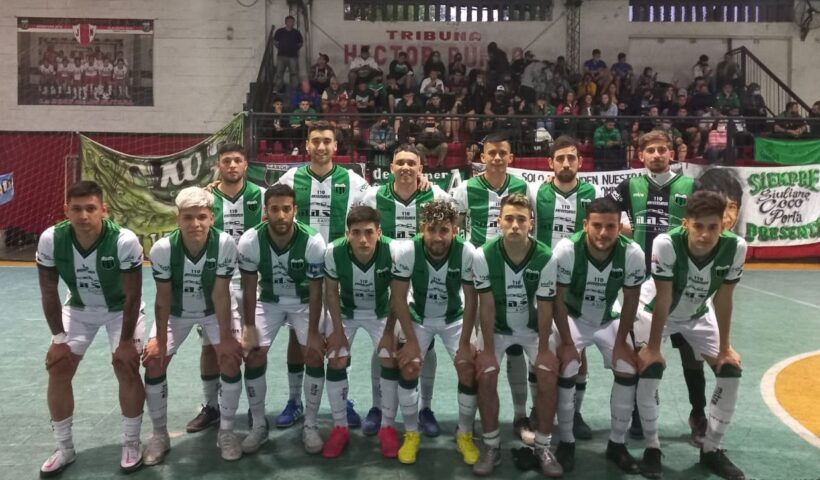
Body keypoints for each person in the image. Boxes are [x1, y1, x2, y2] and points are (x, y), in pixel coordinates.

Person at [635, 190, 748, 480]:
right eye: (698, 226)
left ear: (723, 224)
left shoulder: (735, 247)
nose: (705, 234)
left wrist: (725, 348)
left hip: (698, 313)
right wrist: (653, 348)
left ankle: (711, 449)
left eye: (713, 227)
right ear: (686, 224)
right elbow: (664, 298)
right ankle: (652, 448)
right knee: (650, 369)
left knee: (730, 370)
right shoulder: (666, 243)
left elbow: (724, 299)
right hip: (653, 311)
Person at [36, 181, 146, 476]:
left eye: (90, 209)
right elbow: (48, 290)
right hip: (79, 309)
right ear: (66, 210)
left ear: (103, 210)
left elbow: (133, 296)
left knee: (126, 365)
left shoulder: (124, 240)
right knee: (58, 366)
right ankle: (64, 448)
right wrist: (59, 339)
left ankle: (132, 442)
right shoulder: (51, 239)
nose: (83, 215)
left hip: (120, 310)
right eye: (77, 209)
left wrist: (126, 342)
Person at [609, 130, 707, 447]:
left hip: (681, 282)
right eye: (650, 150)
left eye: (661, 149)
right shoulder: (629, 186)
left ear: (671, 154)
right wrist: (622, 229)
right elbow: (604, 213)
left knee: (692, 354)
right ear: (641, 156)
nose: (656, 155)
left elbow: (708, 221)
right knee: (644, 351)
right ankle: (641, 415)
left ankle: (698, 414)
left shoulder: (690, 186)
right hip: (643, 285)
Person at [143, 187, 240, 465]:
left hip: (213, 311)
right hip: (176, 313)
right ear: (178, 219)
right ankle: (159, 435)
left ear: (212, 218)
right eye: (188, 217)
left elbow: (221, 294)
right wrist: (160, 340)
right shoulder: (163, 249)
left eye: (201, 217)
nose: (195, 223)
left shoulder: (225, 243)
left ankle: (227, 432)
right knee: (153, 362)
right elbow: (162, 298)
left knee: (231, 360)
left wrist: (226, 338)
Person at [471, 193, 566, 477]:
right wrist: (488, 350)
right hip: (496, 328)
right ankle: (491, 446)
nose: (515, 225)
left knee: (547, 373)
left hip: (533, 329)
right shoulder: (483, 255)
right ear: (498, 222)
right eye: (509, 219)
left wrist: (545, 349)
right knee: (486, 373)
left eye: (521, 220)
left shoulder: (546, 256)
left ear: (531, 223)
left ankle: (543, 446)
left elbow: (546, 306)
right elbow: (486, 305)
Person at [550, 197, 647, 474]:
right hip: (573, 317)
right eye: (597, 226)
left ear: (619, 227)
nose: (603, 233)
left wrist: (622, 342)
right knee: (568, 365)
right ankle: (566, 442)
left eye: (610, 226)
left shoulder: (632, 252)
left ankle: (617, 444)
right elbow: (557, 299)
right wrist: (568, 342)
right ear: (585, 225)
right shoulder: (567, 249)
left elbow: (631, 299)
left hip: (607, 317)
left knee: (627, 367)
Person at [236, 184, 327, 455]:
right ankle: (259, 425)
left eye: (286, 209)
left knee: (313, 354)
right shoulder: (251, 240)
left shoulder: (312, 241)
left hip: (303, 302)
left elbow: (316, 291)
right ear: (266, 211)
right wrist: (249, 327)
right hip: (269, 301)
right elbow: (248, 286)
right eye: (274, 209)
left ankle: (310, 424)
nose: (281, 215)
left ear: (295, 210)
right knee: (253, 354)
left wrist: (314, 333)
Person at [389, 201, 480, 465]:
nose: (438, 237)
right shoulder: (408, 250)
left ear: (455, 230)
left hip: (454, 318)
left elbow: (471, 299)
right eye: (432, 229)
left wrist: (466, 342)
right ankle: (411, 434)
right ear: (422, 228)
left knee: (468, 368)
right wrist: (411, 341)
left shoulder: (466, 252)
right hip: (419, 317)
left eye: (444, 230)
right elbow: (398, 298)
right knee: (408, 366)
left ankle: (465, 434)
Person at [185, 144, 265, 437]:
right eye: (227, 160)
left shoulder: (262, 195)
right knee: (210, 346)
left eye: (237, 160)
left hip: (251, 281)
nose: (232, 165)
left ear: (246, 165)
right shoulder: (205, 199)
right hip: (216, 280)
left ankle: (256, 410)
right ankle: (211, 406)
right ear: (219, 165)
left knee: (253, 346)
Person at [528, 136, 602, 438]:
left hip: (579, 282)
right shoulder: (536, 191)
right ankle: (537, 408)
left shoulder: (593, 193)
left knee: (577, 349)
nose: (566, 163)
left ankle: (575, 412)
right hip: (542, 279)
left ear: (580, 162)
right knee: (540, 346)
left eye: (571, 158)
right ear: (550, 163)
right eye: (560, 158)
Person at [321, 206, 398, 458]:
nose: (363, 239)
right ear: (347, 234)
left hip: (381, 313)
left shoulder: (393, 251)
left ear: (379, 232)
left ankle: (387, 426)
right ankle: (340, 427)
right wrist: (336, 331)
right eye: (356, 233)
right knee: (336, 358)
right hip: (346, 312)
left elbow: (398, 295)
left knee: (389, 357)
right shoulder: (333, 251)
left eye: (369, 232)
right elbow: (331, 292)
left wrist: (389, 332)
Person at [362, 145, 449, 239]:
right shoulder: (373, 196)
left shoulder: (436, 195)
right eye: (400, 163)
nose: (405, 167)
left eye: (411, 163)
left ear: (420, 170)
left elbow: (456, 217)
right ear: (392, 168)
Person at [273, 15, 303, 93]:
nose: (291, 23)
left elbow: (300, 43)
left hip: (293, 56)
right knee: (279, 73)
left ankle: (295, 89)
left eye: (292, 22)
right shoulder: (279, 31)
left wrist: (295, 49)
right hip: (281, 56)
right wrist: (281, 47)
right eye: (289, 21)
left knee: (294, 73)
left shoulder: (296, 33)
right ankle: (277, 88)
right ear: (285, 22)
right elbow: (275, 42)